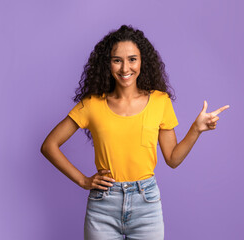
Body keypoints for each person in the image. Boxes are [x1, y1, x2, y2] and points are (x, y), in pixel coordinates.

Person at [40, 25, 229, 240]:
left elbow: (173, 159)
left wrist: (196, 130)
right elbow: (49, 145)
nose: (125, 68)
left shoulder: (160, 101)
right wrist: (83, 181)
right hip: (103, 206)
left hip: (146, 205)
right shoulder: (92, 104)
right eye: (117, 60)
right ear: (108, 63)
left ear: (142, 61)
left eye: (132, 59)